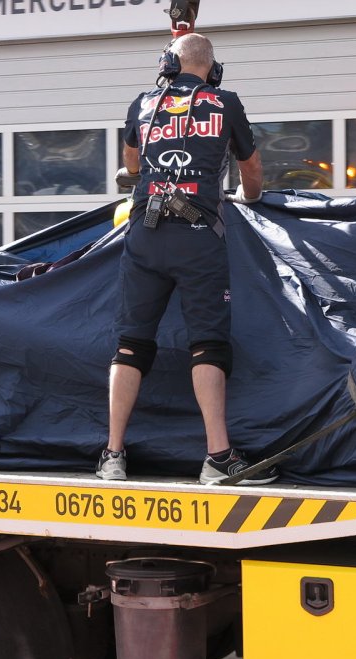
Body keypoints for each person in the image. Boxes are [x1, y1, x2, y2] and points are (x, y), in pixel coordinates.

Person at [99, 33, 273, 485]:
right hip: (199, 238)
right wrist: (247, 196)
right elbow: (251, 169)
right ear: (212, 69)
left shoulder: (143, 102)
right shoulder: (225, 102)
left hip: (145, 235)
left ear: (167, 65)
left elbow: (131, 166)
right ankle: (217, 458)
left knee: (130, 344)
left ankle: (112, 455)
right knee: (208, 345)